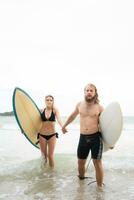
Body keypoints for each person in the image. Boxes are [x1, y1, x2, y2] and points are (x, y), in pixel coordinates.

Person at [62, 83, 104, 189]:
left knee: (97, 163)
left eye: (91, 91)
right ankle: (81, 182)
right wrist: (64, 125)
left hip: (96, 138)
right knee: (80, 162)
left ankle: (100, 188)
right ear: (84, 92)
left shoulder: (99, 107)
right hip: (83, 138)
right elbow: (72, 115)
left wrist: (111, 141)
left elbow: (107, 125)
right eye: (87, 90)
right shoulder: (79, 105)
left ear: (95, 93)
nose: (89, 92)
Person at [38, 95, 64, 168]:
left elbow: (59, 119)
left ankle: (52, 173)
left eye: (50, 100)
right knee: (44, 156)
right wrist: (25, 130)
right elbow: (34, 122)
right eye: (47, 100)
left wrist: (63, 127)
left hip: (52, 135)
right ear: (45, 101)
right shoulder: (41, 111)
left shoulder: (55, 110)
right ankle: (43, 173)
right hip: (42, 135)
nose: (49, 101)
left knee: (50, 156)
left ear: (53, 101)